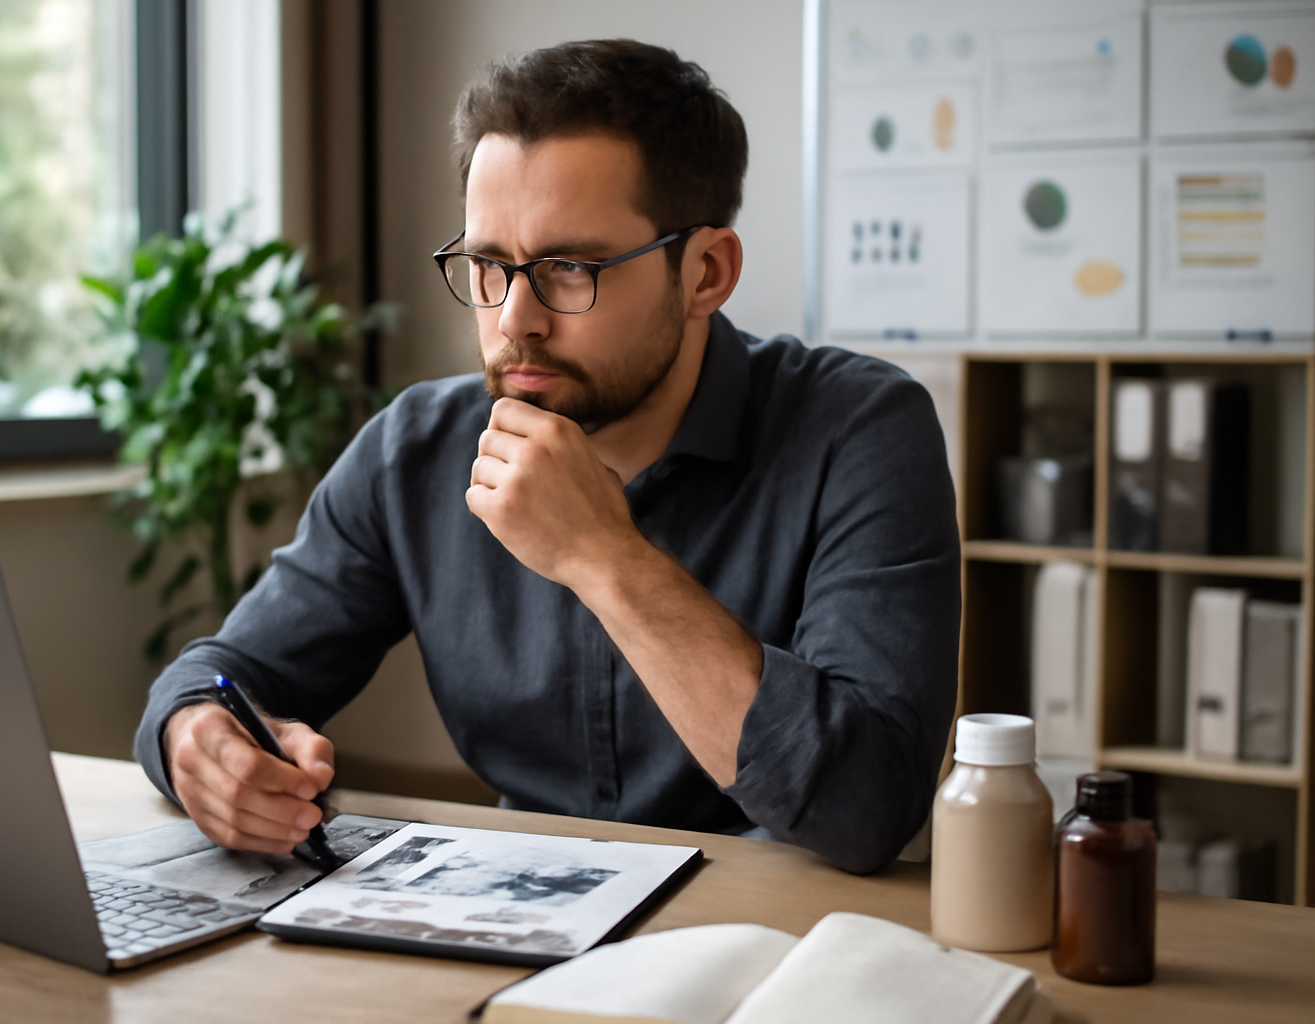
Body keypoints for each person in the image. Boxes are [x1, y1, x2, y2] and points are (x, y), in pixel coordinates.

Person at [136, 39, 960, 875]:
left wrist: (605, 556)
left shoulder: (859, 428)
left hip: (767, 937)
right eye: (490, 265)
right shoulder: (412, 451)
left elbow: (870, 805)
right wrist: (197, 739)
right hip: (520, 911)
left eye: (570, 268)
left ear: (706, 271)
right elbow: (230, 672)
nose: (513, 320)